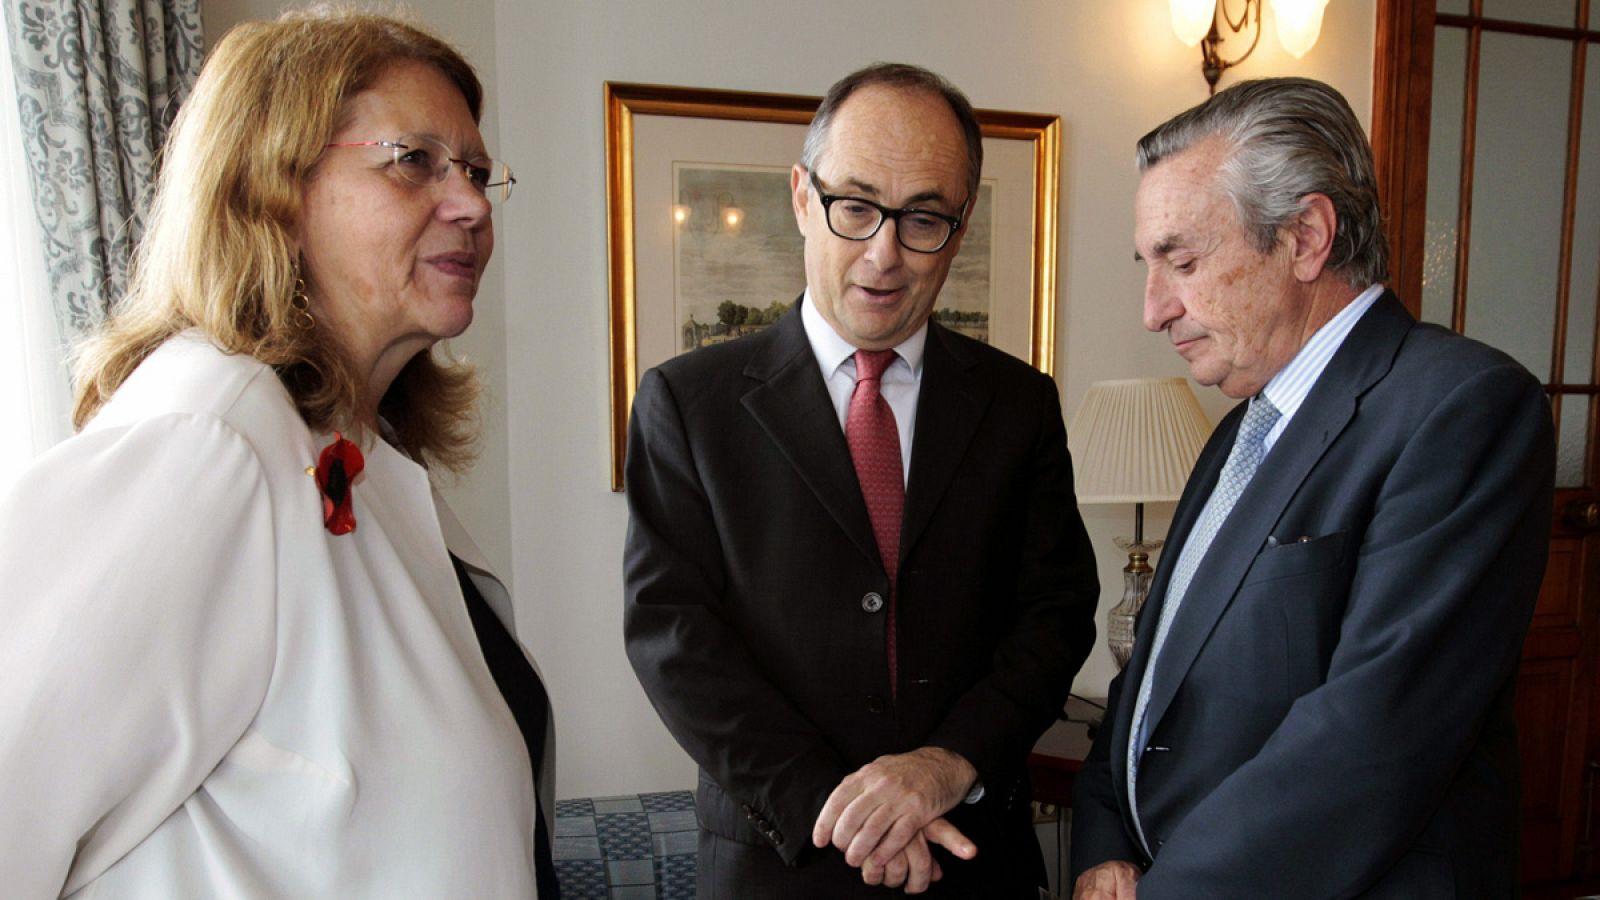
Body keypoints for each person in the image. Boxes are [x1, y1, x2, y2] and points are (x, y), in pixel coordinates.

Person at [0, 8, 559, 897]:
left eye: (480, 173)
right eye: (414, 161)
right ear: (272, 181)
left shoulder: (357, 454)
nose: (472, 205)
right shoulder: (207, 439)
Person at [1070, 77, 1555, 899]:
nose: (1154, 309)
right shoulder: (1238, 425)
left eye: (1182, 261)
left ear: (1305, 237)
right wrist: (1102, 845)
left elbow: (1372, 738)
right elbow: (1148, 686)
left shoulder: (1463, 407)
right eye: (1150, 266)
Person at [623, 62, 1099, 898]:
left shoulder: (1020, 403)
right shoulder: (687, 404)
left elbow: (1054, 617)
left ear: (962, 223)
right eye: (856, 208)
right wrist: (839, 811)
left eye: (923, 218)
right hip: (778, 865)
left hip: (974, 859)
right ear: (802, 197)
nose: (885, 254)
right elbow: (677, 643)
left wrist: (948, 765)